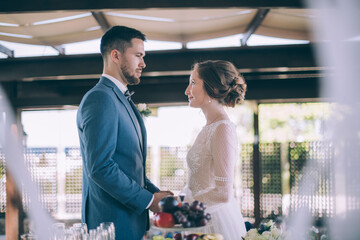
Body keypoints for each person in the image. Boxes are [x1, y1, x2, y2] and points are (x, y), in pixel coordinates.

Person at [76, 26, 172, 240]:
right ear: (116, 56)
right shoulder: (100, 98)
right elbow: (100, 167)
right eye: (138, 55)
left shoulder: (121, 99)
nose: (143, 63)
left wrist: (155, 194)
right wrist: (148, 201)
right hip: (110, 225)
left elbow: (129, 166)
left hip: (130, 222)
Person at [182, 60, 247, 239]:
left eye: (193, 83)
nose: (187, 91)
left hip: (214, 224)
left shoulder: (222, 128)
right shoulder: (209, 127)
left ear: (213, 89)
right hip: (198, 218)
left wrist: (182, 207)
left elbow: (223, 193)